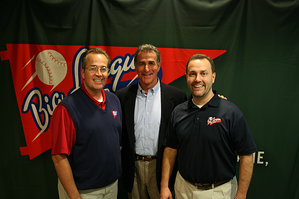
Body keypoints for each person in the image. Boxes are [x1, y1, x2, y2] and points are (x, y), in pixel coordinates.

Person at [160, 54, 258, 199]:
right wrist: (164, 186)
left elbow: (247, 155)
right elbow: (170, 150)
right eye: (192, 74)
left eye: (203, 73)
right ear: (187, 77)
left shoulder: (231, 112)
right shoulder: (178, 112)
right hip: (183, 188)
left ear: (213, 77)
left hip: (219, 191)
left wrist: (241, 195)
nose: (197, 79)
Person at [116, 44, 187, 199]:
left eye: (151, 63)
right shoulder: (122, 97)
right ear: (135, 66)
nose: (146, 68)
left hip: (162, 168)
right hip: (133, 169)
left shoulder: (177, 97)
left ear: (158, 65)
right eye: (141, 63)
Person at [51, 48, 122, 199]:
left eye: (103, 69)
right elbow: (59, 157)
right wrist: (74, 196)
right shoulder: (67, 108)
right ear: (82, 73)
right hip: (83, 191)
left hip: (111, 187)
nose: (99, 73)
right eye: (93, 68)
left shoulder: (114, 100)